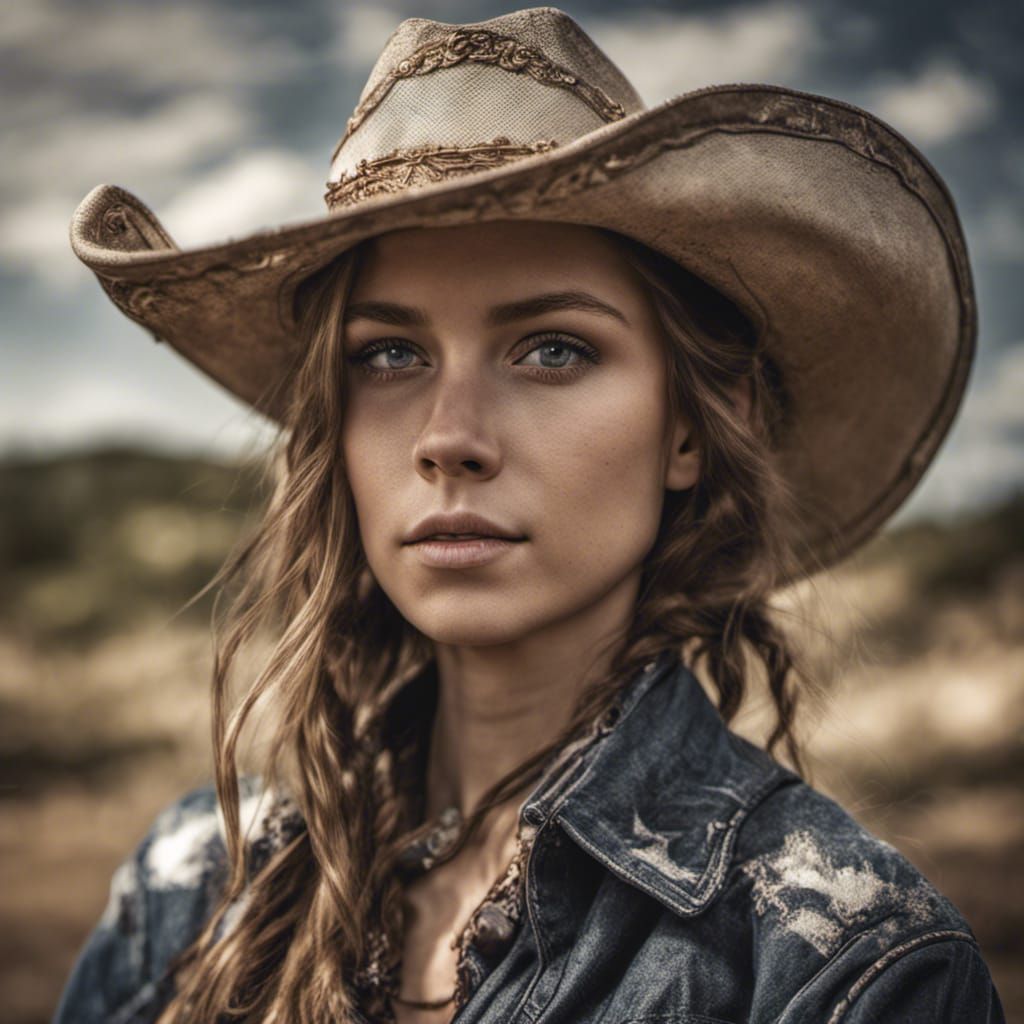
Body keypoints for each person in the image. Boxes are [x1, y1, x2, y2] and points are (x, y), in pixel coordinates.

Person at [55, 7, 1004, 1023]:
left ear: (690, 427)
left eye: (552, 348)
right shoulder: (192, 891)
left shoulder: (839, 965)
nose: (447, 436)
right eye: (389, 354)